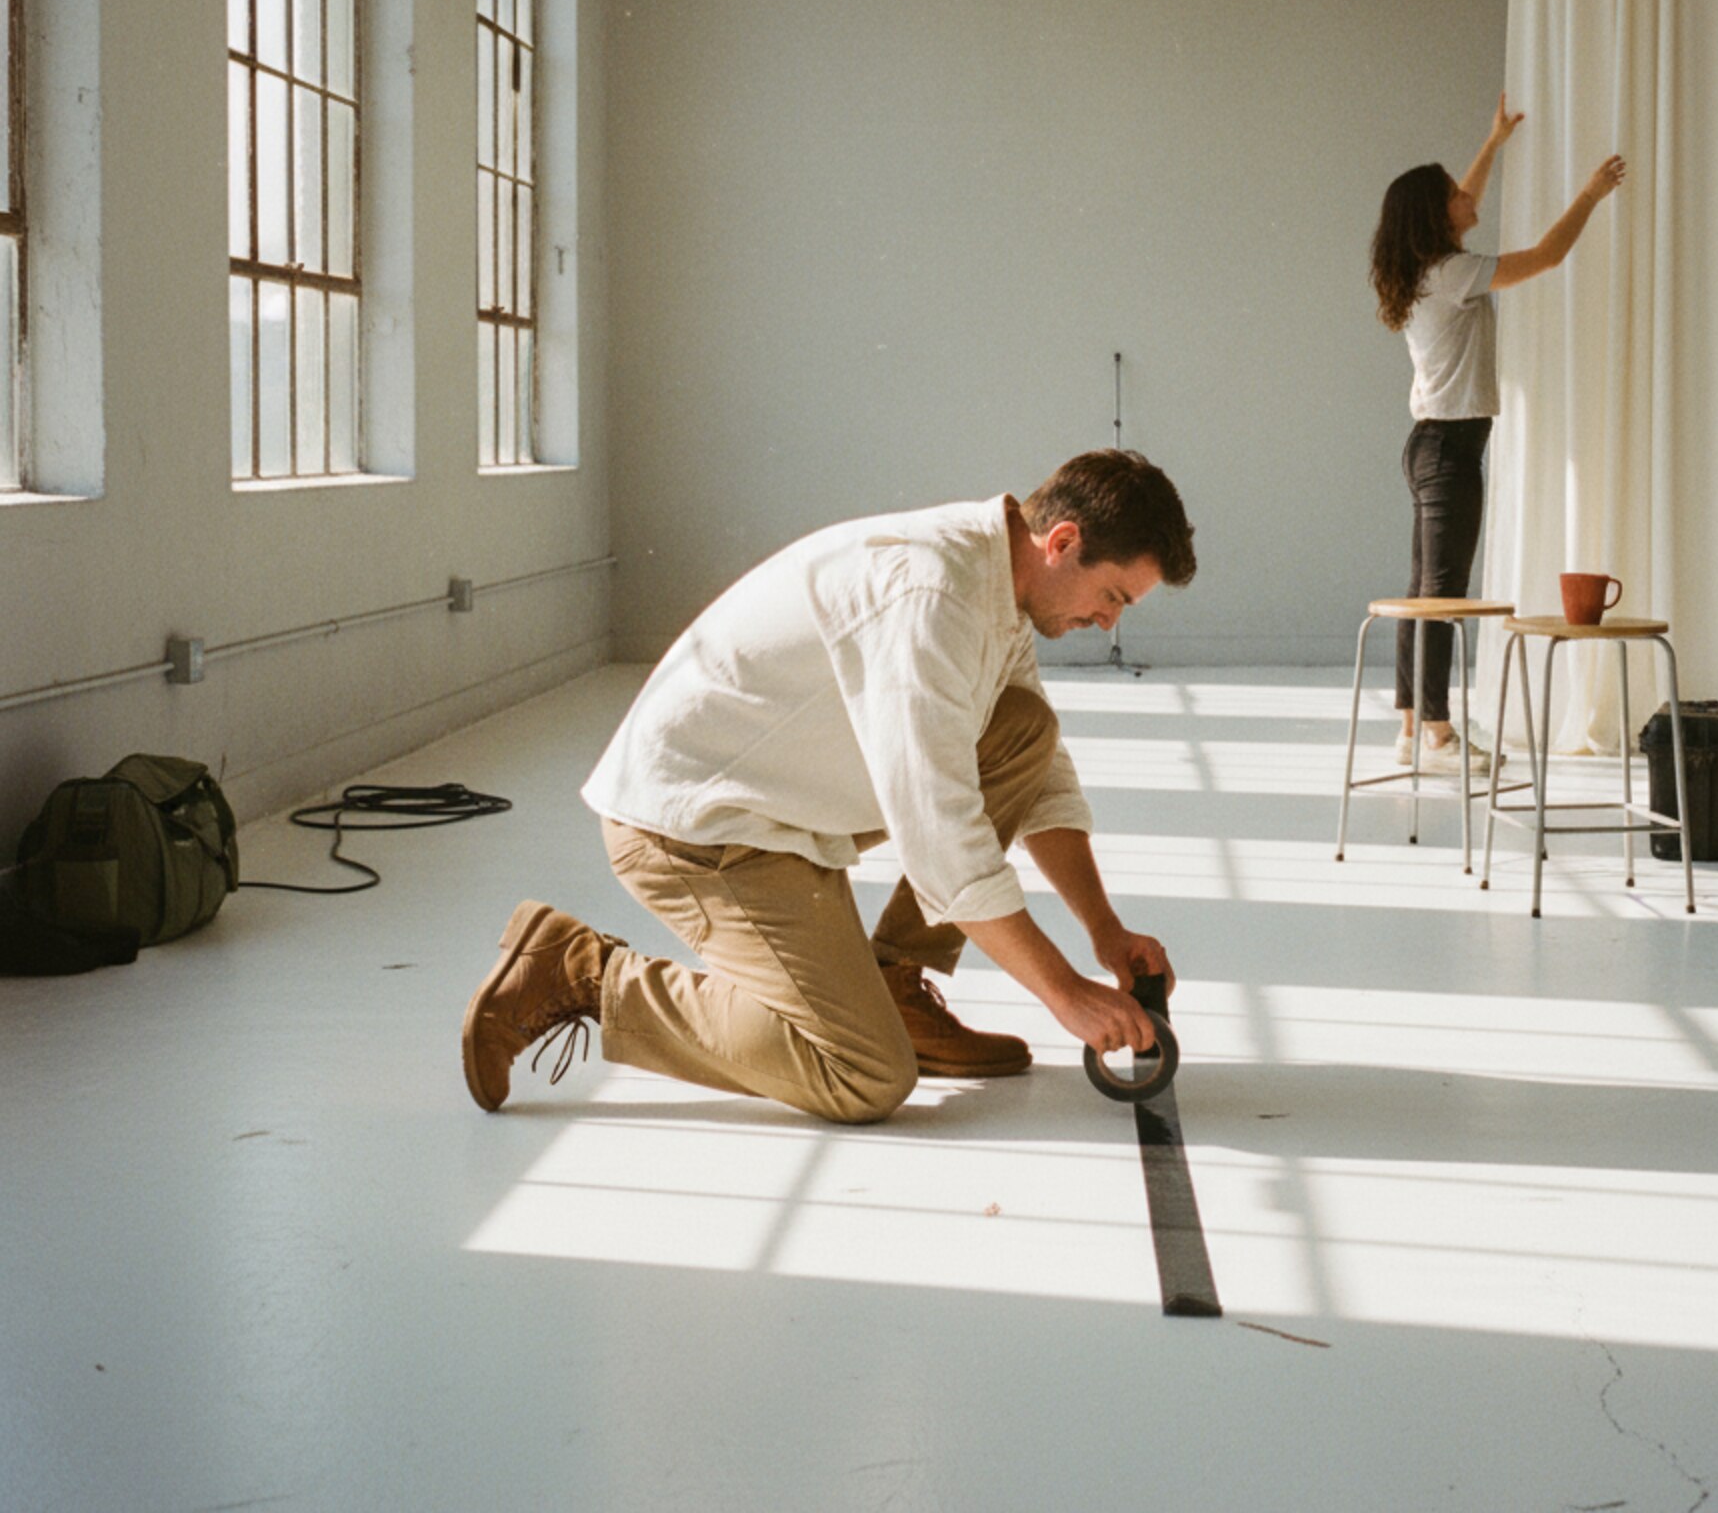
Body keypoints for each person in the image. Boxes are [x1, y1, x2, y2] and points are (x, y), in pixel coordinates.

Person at [461, 449, 1198, 1124]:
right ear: (1062, 541)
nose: (1108, 622)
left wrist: (1103, 928)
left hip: (778, 817)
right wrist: (1063, 992)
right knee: (865, 1074)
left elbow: (1036, 777)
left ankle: (895, 987)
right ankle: (580, 972)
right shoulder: (934, 594)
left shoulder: (999, 579)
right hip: (695, 831)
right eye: (1114, 596)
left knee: (1023, 729)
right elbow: (943, 837)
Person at [1368, 97, 1625, 773]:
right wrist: (1590, 195)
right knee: (1441, 595)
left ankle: (1408, 729)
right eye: (1454, 194)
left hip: (1432, 445)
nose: (1467, 196)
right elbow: (1544, 257)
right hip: (1449, 451)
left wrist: (1494, 142)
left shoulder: (1431, 269)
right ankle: (1439, 738)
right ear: (1436, 214)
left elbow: (1465, 198)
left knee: (1425, 592)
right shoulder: (1453, 274)